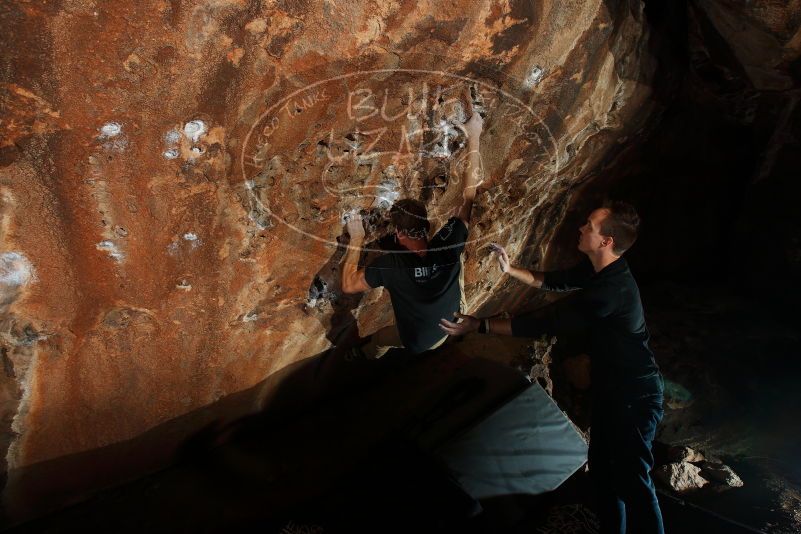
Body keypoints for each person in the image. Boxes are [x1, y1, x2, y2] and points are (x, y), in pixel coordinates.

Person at [440, 202, 665, 534]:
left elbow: (547, 321)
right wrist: (510, 269)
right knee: (603, 476)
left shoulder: (610, 291)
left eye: (589, 225)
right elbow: (559, 281)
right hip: (611, 391)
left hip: (635, 395)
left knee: (633, 480)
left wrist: (481, 326)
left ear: (605, 241)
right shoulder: (603, 268)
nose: (581, 228)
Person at [340, 110, 484, 359]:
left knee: (382, 339)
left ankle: (362, 356)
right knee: (456, 251)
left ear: (397, 233)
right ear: (427, 227)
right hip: (451, 326)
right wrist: (475, 136)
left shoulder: (391, 267)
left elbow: (348, 285)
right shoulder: (447, 241)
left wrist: (356, 238)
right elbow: (469, 194)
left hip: (418, 340)